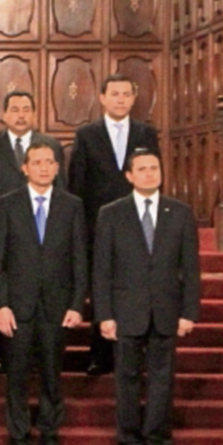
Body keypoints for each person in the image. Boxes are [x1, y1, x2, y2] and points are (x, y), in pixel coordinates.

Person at [93, 149, 200, 445]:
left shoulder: (180, 213)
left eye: (154, 168)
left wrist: (189, 312)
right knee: (125, 380)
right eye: (142, 169)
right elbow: (102, 270)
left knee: (162, 381)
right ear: (129, 175)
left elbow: (191, 268)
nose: (150, 174)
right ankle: (129, 444)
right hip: (126, 312)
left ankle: (157, 444)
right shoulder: (111, 214)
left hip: (166, 312)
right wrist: (105, 315)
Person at [0, 142, 88, 445]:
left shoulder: (72, 206)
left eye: (50, 162)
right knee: (16, 377)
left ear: (58, 167)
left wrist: (76, 304)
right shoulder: (6, 205)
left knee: (51, 378)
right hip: (16, 309)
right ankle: (18, 441)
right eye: (37, 162)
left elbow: (79, 260)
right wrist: (0, 305)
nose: (44, 167)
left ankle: (49, 440)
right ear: (25, 167)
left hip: (57, 309)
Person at [68, 74, 160, 376]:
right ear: (102, 98)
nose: (120, 99)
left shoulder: (147, 133)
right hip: (99, 227)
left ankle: (136, 354)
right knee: (102, 290)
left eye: (126, 93)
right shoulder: (87, 134)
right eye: (114, 94)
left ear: (134, 99)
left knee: (137, 288)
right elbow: (77, 186)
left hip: (139, 225)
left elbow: (155, 178)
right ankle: (100, 354)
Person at [0, 90, 63, 374]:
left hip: (41, 231)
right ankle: (0, 350)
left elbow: (63, 191)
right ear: (5, 114)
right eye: (15, 109)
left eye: (26, 109)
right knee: (2, 288)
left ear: (34, 113)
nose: (21, 114)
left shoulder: (50, 146)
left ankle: (37, 352)